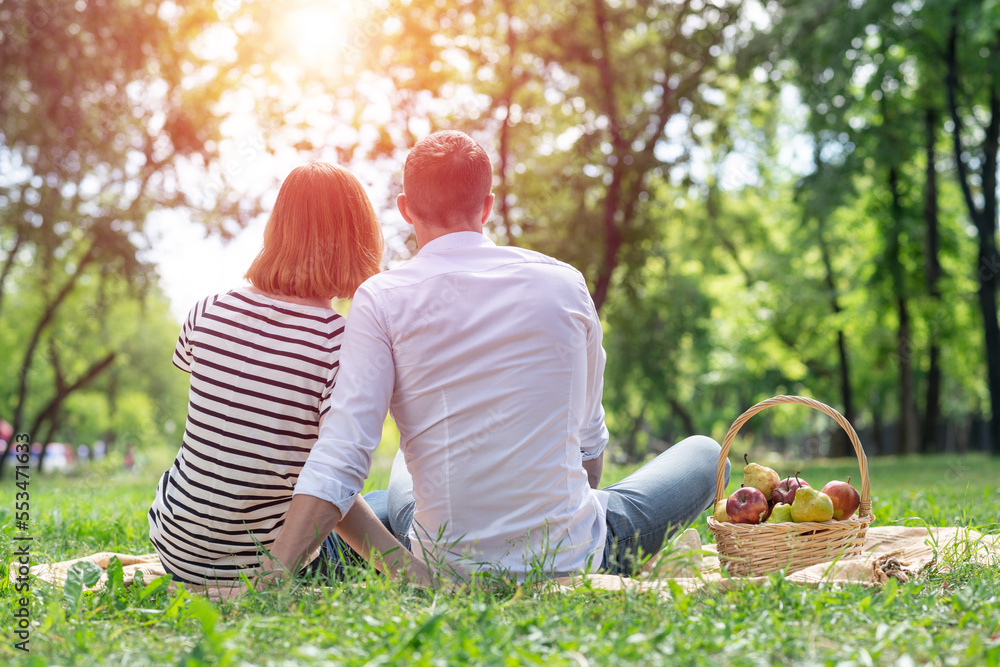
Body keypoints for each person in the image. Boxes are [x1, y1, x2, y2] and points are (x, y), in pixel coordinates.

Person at [264, 131, 728, 584]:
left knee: (402, 473)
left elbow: (343, 454)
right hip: (574, 555)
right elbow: (589, 447)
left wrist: (270, 577)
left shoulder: (381, 299)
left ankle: (333, 557)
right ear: (487, 205)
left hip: (443, 562)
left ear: (405, 210)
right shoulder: (566, 283)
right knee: (708, 453)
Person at [147, 162, 387, 586]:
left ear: (277, 228)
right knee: (387, 505)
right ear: (358, 238)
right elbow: (332, 482)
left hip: (175, 545)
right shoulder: (338, 343)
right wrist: (410, 568)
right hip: (256, 564)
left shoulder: (206, 309)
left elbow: (233, 439)